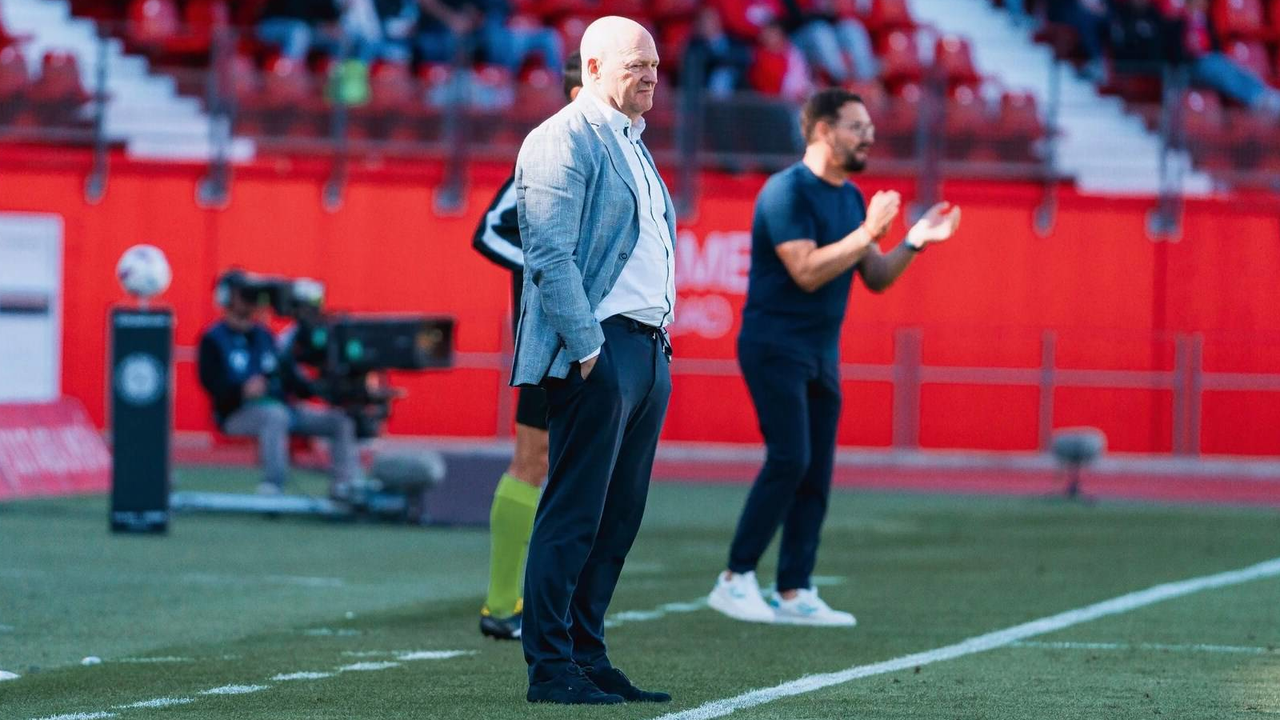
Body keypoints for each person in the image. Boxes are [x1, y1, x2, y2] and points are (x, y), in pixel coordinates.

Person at [707, 88, 961, 626]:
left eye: (870, 128)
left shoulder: (849, 197)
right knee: (790, 459)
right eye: (857, 127)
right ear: (823, 130)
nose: (869, 136)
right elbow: (805, 270)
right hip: (774, 344)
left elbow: (876, 277)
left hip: (821, 351)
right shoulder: (786, 191)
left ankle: (794, 590)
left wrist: (915, 240)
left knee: (816, 471)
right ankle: (734, 578)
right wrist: (868, 231)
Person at [513, 15, 675, 706]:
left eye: (655, 64)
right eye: (638, 64)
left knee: (618, 519)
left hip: (647, 349)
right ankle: (551, 668)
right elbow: (548, 254)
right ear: (595, 67)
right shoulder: (562, 138)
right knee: (574, 513)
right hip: (600, 350)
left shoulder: (633, 141)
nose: (651, 76)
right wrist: (588, 351)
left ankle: (586, 654)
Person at [472, 51, 583, 642]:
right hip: (546, 337)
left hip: (601, 337)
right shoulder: (546, 151)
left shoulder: (622, 153)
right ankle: (500, 603)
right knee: (534, 459)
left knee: (589, 467)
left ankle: (563, 606)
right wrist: (551, 267)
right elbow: (488, 231)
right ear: (580, 90)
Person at [197, 270, 362, 498]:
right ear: (227, 297)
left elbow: (290, 378)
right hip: (237, 413)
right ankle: (273, 486)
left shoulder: (265, 336)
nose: (251, 301)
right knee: (275, 416)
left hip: (282, 407)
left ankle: (346, 486)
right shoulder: (214, 339)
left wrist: (325, 388)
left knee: (339, 421)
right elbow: (211, 384)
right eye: (243, 294)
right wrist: (242, 391)